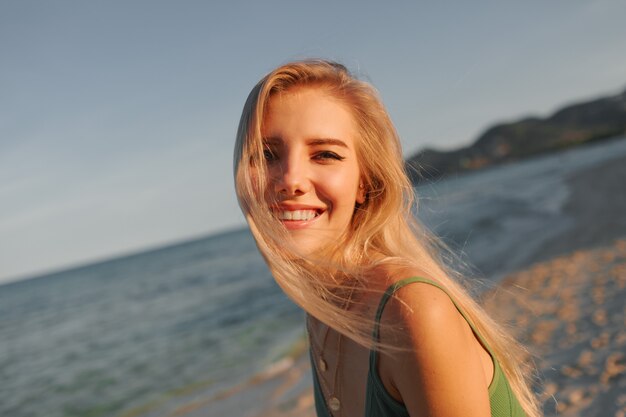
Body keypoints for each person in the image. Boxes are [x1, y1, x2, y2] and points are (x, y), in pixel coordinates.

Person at [233, 60, 540, 417]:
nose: (291, 179)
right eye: (266, 155)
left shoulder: (412, 312)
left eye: (325, 155)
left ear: (365, 182)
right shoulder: (325, 311)